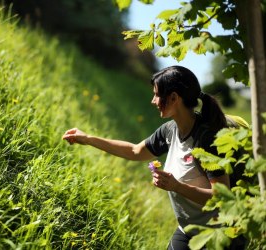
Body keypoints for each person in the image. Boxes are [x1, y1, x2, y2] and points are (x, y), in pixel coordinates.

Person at [62, 66, 245, 250]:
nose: (153, 100)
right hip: (188, 230)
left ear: (174, 97)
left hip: (220, 235)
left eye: (157, 95)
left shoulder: (207, 139)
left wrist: (177, 186)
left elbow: (221, 197)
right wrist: (88, 139)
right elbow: (134, 151)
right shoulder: (169, 131)